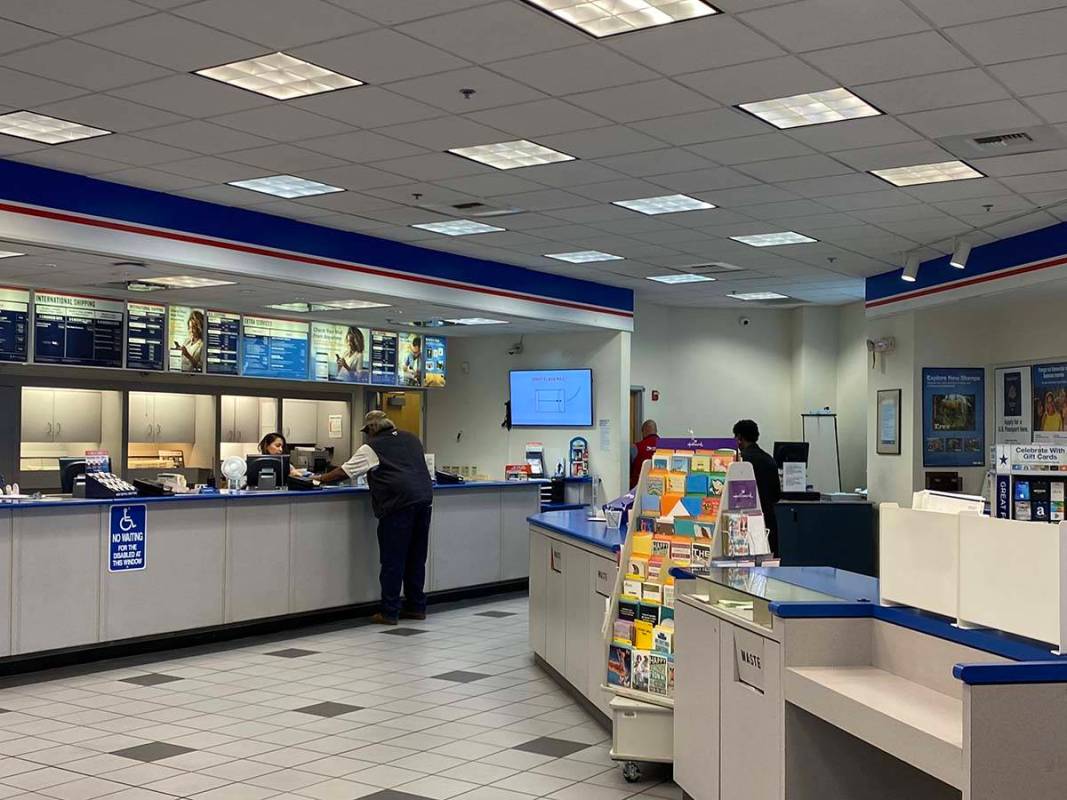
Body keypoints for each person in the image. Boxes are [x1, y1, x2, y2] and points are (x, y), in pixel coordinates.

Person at [314, 411, 433, 625]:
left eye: (367, 432)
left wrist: (318, 479)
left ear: (372, 429)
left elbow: (345, 472)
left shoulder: (374, 446)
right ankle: (416, 607)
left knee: (393, 560)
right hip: (423, 500)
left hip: (397, 504)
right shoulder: (412, 438)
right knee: (416, 557)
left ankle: (389, 612)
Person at [732, 419, 782, 554]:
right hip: (767, 520)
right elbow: (777, 495)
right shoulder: (769, 459)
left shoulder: (740, 461)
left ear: (739, 438)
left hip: (745, 522)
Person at [630, 419, 659, 489]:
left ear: (643, 432)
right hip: (659, 489)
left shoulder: (635, 447)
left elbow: (627, 471)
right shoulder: (666, 446)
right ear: (656, 431)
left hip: (638, 490)